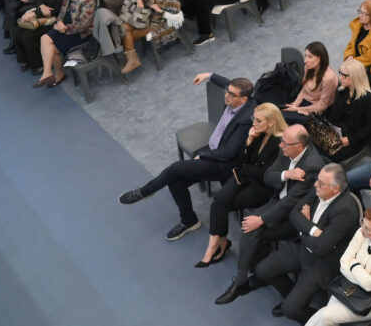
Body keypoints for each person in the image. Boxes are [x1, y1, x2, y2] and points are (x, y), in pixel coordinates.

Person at [118, 73, 255, 239]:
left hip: (222, 164)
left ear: (244, 99)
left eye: (231, 94)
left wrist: (203, 155)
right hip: (214, 152)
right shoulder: (236, 96)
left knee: (176, 169)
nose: (226, 95)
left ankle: (145, 191)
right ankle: (189, 221)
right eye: (227, 91)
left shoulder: (246, 120)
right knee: (175, 182)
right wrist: (209, 75)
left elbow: (229, 153)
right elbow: (228, 83)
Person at [214, 124, 327, 305]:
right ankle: (250, 279)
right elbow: (268, 176)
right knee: (250, 230)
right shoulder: (287, 150)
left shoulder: (312, 166)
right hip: (277, 202)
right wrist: (286, 174)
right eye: (282, 141)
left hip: (295, 216)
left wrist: (261, 219)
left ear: (299, 146)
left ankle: (261, 285)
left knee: (253, 232)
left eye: (285, 143)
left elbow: (290, 202)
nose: (280, 145)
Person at [250, 163, 359, 323]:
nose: (315, 184)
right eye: (317, 179)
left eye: (320, 183)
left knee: (290, 310)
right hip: (302, 248)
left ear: (335, 189)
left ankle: (317, 321)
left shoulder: (345, 210)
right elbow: (294, 213)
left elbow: (321, 248)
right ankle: (291, 296)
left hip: (321, 263)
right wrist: (312, 229)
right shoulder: (319, 189)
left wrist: (303, 228)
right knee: (262, 270)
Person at [198, 102, 285, 269]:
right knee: (219, 201)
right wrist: (248, 141)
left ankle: (219, 246)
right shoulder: (257, 133)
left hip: (261, 188)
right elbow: (242, 159)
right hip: (243, 177)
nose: (254, 123)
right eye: (254, 119)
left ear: (271, 122)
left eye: (258, 120)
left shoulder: (280, 144)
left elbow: (266, 175)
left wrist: (245, 168)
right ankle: (217, 244)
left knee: (222, 204)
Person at [304, 206, 371, 326]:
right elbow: (343, 263)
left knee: (325, 316)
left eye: (367, 229)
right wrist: (363, 277)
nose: (362, 230)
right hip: (350, 286)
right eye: (362, 223)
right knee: (324, 316)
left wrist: (354, 263)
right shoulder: (362, 232)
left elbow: (370, 285)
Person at [31, 0, 94, 89]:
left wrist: (64, 28)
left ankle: (58, 74)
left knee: (52, 48)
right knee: (44, 38)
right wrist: (59, 22)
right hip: (64, 27)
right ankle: (48, 72)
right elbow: (61, 13)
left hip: (79, 34)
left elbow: (83, 26)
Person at [118, 0, 181, 74]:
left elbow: (177, 17)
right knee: (124, 27)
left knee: (129, 34)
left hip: (160, 23)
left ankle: (132, 59)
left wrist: (160, 11)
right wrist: (139, 0)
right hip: (147, 16)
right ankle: (132, 59)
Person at [282, 41, 338, 125]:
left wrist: (297, 109)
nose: (305, 60)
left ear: (320, 58)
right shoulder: (308, 67)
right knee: (277, 112)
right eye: (305, 56)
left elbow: (322, 106)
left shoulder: (329, 78)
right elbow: (303, 90)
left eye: (310, 57)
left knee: (281, 117)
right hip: (303, 102)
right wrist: (295, 104)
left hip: (314, 109)